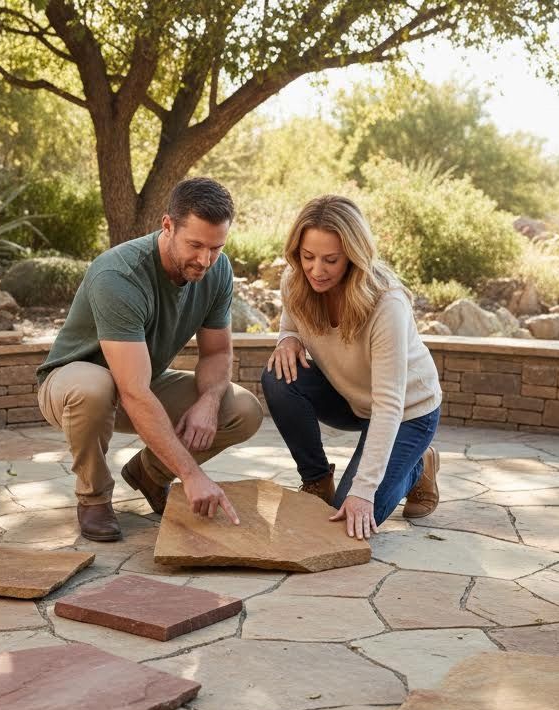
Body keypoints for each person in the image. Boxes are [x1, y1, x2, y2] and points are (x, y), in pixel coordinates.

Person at [37, 177, 262, 541]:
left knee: (242, 409)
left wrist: (208, 400)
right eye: (195, 245)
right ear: (167, 225)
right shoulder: (119, 276)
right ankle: (93, 497)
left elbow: (218, 352)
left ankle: (149, 474)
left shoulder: (217, 271)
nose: (205, 259)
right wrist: (192, 475)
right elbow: (134, 391)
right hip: (72, 385)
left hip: (138, 381)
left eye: (216, 248)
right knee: (97, 386)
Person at [262, 195, 442, 540]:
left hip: (407, 411)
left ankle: (418, 464)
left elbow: (389, 404)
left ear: (354, 256)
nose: (316, 270)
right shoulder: (296, 281)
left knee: (348, 521)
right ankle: (316, 480)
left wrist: (363, 491)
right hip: (351, 399)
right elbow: (289, 327)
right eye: (307, 256)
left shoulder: (386, 303)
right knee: (278, 375)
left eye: (331, 259)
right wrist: (287, 340)